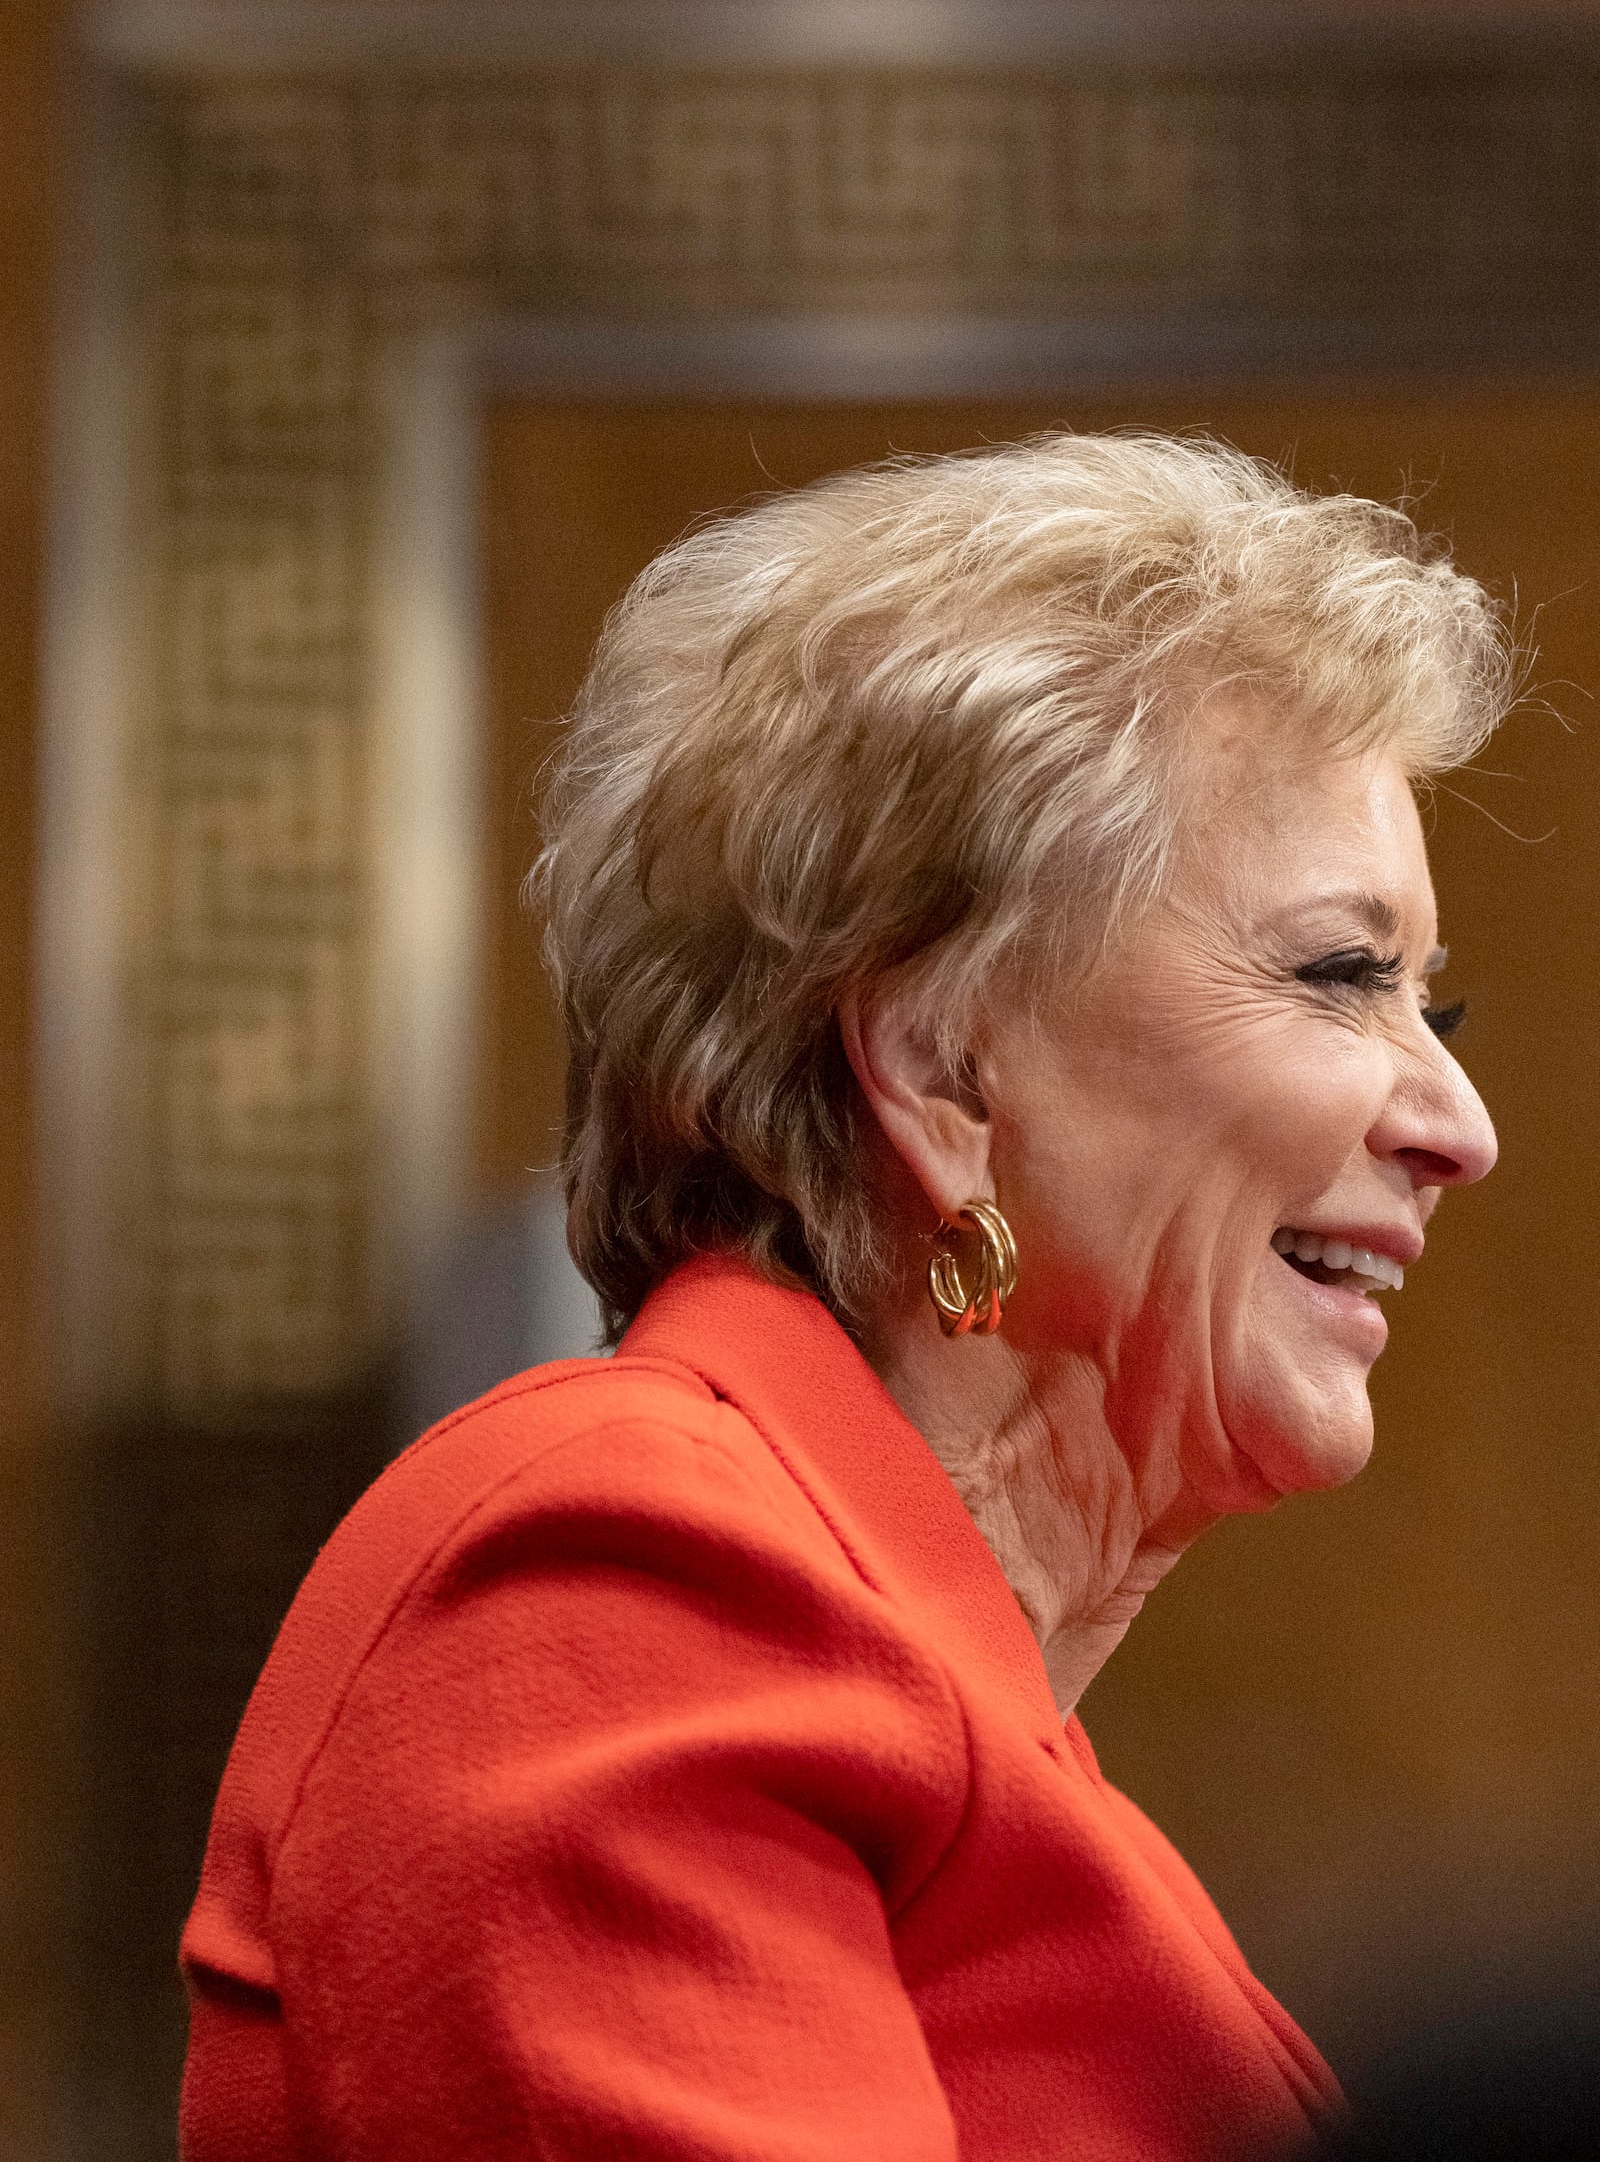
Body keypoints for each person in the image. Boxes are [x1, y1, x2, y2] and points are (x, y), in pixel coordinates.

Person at [178, 433, 1510, 2161]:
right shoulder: (622, 1579)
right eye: (1344, 977)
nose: (1459, 1128)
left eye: (1435, 1012)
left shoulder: (918, 1670)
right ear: (943, 1067)